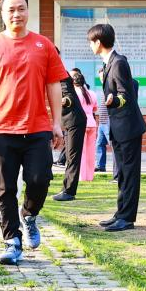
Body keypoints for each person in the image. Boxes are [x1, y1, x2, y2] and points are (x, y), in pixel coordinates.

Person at [0, 0, 67, 265]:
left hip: (37, 127)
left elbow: (54, 85)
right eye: (10, 9)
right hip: (2, 128)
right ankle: (12, 241)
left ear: (28, 11)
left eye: (21, 8)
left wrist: (57, 123)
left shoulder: (43, 45)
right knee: (4, 188)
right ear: (2, 13)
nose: (16, 14)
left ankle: (30, 215)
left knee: (40, 179)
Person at [88, 23, 146, 232]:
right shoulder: (109, 63)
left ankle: (127, 218)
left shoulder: (119, 62)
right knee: (121, 173)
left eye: (91, 42)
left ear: (98, 42)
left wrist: (115, 100)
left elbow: (126, 94)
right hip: (119, 127)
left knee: (129, 173)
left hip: (128, 127)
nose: (90, 46)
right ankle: (121, 213)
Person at [51, 68, 88, 202]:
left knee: (72, 157)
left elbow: (69, 96)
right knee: (69, 156)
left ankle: (69, 191)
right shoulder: (55, 74)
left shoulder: (61, 74)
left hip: (75, 121)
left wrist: (64, 101)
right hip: (68, 121)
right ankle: (66, 189)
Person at [93, 63, 111, 171]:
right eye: (100, 77)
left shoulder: (110, 87)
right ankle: (101, 166)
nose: (101, 78)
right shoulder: (103, 88)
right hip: (102, 122)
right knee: (99, 144)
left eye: (102, 76)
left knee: (113, 145)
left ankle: (119, 167)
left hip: (109, 122)